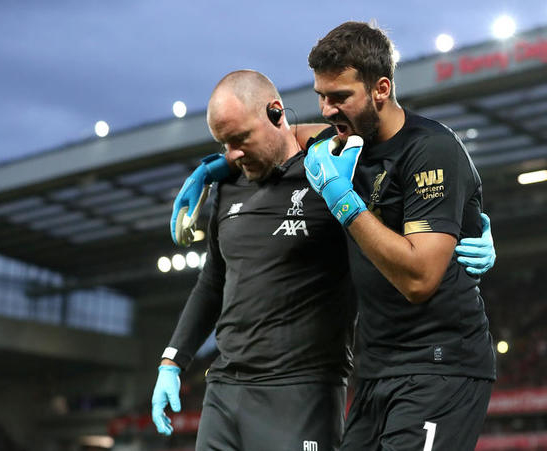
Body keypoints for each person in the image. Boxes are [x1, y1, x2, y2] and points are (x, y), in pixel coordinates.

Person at [152, 70, 497, 450]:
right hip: (224, 389)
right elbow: (212, 280)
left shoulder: (333, 171)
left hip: (303, 390)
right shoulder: (227, 184)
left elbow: (410, 180)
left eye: (240, 139)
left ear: (275, 114)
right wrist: (172, 360)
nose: (231, 154)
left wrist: (474, 228)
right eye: (222, 144)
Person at [303, 22, 496, 450]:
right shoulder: (344, 140)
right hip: (375, 369)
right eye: (321, 96)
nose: (327, 109)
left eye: (339, 97)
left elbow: (419, 280)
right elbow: (281, 140)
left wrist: (343, 200)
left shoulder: (430, 150)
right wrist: (217, 164)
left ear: (381, 89)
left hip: (439, 365)